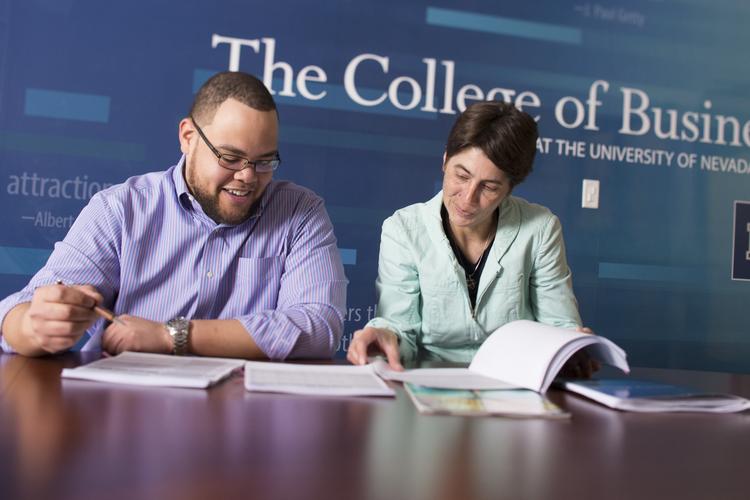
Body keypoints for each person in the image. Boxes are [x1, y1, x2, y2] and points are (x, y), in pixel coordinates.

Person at [0, 71, 347, 359]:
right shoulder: (120, 210)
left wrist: (171, 336)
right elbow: (19, 311)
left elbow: (319, 325)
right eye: (230, 157)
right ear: (188, 137)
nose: (247, 177)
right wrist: (34, 325)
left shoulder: (301, 213)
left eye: (264, 161)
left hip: (247, 423)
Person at [348, 101, 597, 375]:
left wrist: (570, 342)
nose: (468, 199)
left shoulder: (540, 228)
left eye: (489, 187)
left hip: (515, 380)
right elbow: (400, 328)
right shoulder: (403, 229)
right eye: (461, 176)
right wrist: (387, 336)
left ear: (509, 189)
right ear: (445, 160)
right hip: (431, 379)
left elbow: (558, 325)